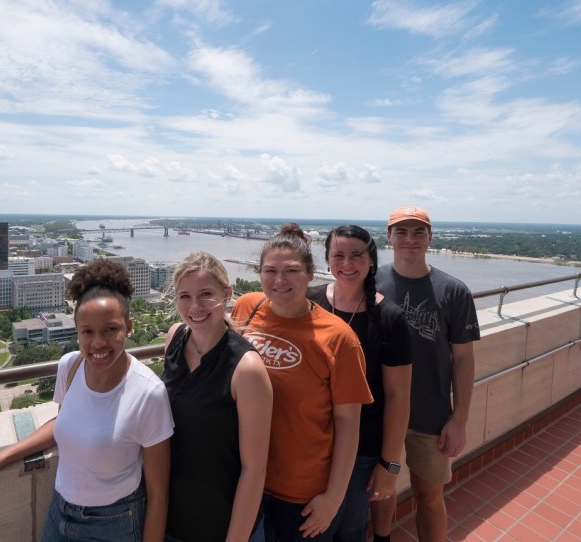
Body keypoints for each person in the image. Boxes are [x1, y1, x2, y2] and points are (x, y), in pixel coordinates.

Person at [0, 259, 174, 542]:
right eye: (87, 332)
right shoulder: (70, 367)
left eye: (110, 329)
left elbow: (159, 495)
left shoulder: (148, 393)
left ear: (128, 327)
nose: (97, 343)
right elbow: (64, 424)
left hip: (114, 523)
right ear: (77, 331)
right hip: (59, 511)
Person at [231, 223, 373, 542]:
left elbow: (349, 424)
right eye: (270, 271)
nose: (280, 281)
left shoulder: (338, 338)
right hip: (245, 480)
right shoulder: (246, 309)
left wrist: (333, 499)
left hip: (302, 494)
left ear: (311, 274)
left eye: (292, 270)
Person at [375, 206, 479, 542]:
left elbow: (463, 360)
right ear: (388, 236)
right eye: (401, 232)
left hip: (430, 414)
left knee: (430, 497)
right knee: (380, 493)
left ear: (430, 237)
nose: (410, 239)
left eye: (418, 232)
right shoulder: (370, 283)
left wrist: (459, 420)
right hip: (379, 411)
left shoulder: (454, 291)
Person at [306, 225, 412, 542]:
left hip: (362, 451)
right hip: (311, 445)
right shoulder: (310, 303)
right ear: (327, 260)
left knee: (348, 531)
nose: (348, 264)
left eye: (356, 255)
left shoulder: (390, 318)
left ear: (371, 260)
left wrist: (389, 466)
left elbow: (397, 397)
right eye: (339, 255)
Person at [162, 251, 273, 542]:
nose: (195, 306)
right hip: (173, 520)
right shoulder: (175, 338)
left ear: (227, 293)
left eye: (205, 294)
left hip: (224, 523)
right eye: (185, 296)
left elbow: (254, 469)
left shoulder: (246, 368)